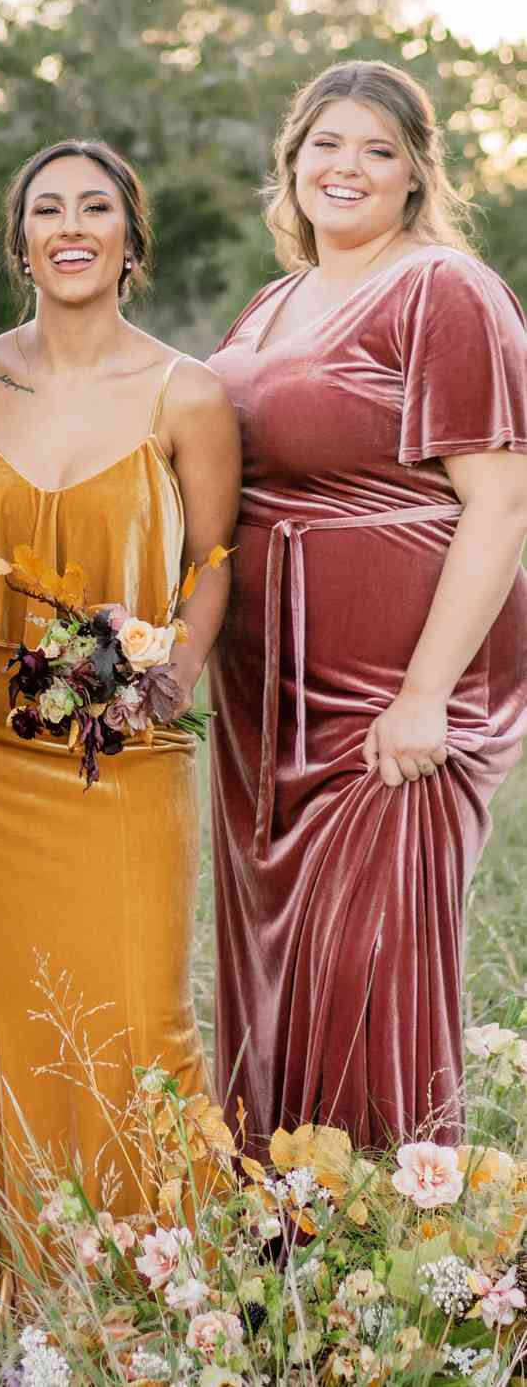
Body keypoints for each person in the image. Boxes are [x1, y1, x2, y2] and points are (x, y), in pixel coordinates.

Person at [0, 141, 239, 1331]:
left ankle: (152, 1307)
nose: (71, 226)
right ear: (19, 240)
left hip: (121, 756)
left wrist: (177, 665)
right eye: (47, 209)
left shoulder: (187, 393)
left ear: (133, 241)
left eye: (96, 209)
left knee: (136, 1015)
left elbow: (212, 566)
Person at [208, 60, 527, 1151]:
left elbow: (502, 502)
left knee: (370, 968)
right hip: (265, 704)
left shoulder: (445, 289)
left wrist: (425, 695)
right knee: (276, 962)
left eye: (378, 149)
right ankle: (275, 1249)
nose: (347, 167)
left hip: (389, 700)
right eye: (326, 143)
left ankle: (392, 1264)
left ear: (413, 176)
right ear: (291, 160)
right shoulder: (270, 303)